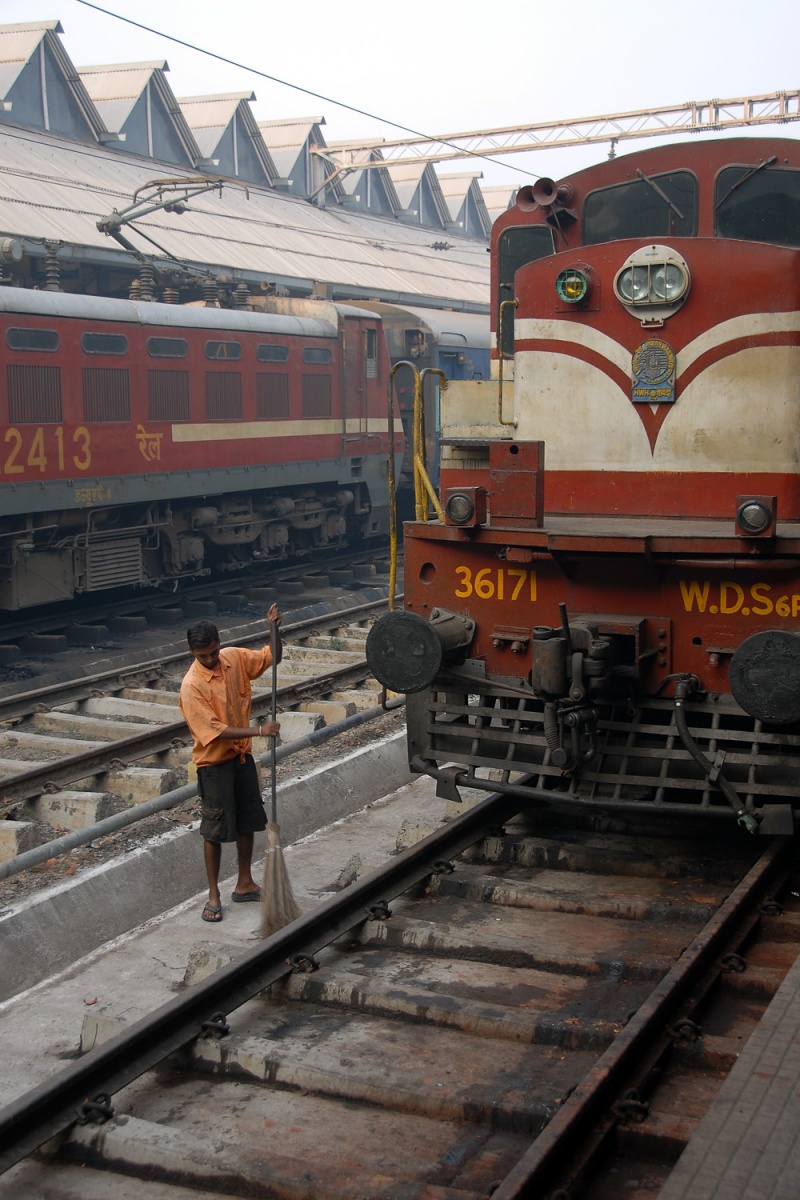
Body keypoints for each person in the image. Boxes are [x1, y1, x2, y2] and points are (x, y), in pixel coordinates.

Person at [179, 603, 282, 922]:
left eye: (212, 653)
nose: (209, 660)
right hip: (214, 766)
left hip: (241, 758)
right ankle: (213, 894)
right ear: (192, 652)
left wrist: (274, 629)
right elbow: (215, 730)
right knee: (214, 830)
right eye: (202, 656)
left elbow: (271, 657)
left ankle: (245, 882)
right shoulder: (191, 685)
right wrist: (259, 730)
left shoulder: (234, 659)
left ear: (219, 644)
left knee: (248, 821)